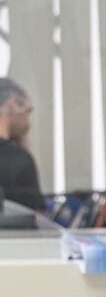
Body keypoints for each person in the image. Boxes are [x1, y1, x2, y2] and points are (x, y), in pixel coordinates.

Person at [0, 78, 42, 211]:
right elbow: (34, 220)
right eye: (27, 111)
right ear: (11, 104)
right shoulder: (19, 160)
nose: (28, 124)